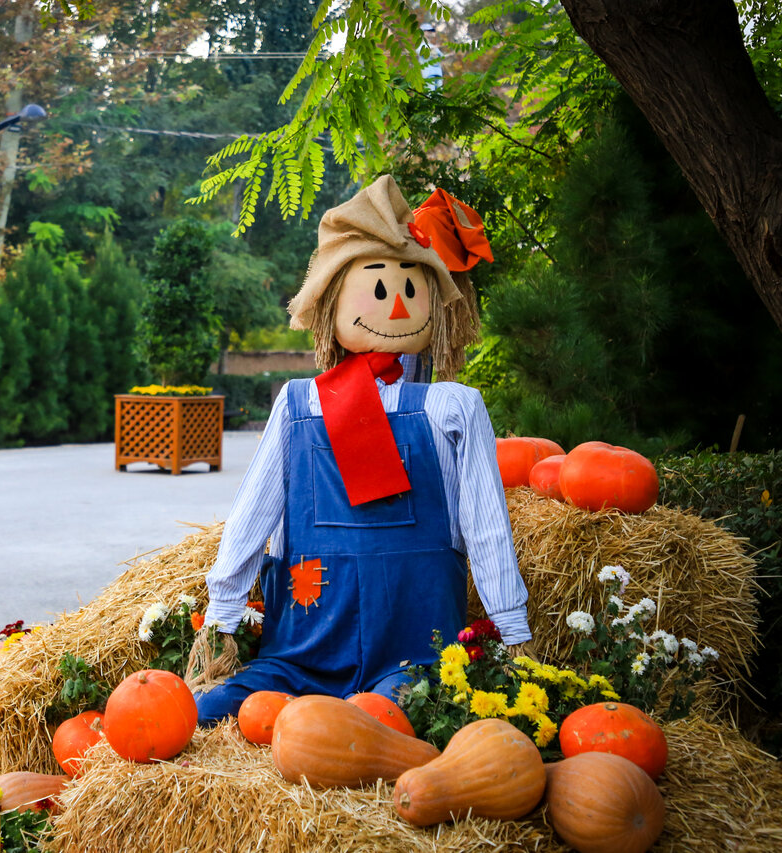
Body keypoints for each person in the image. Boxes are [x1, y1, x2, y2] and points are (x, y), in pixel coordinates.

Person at [192, 177, 533, 725]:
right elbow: (252, 516)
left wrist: (511, 629)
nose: (396, 302)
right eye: (376, 288)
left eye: (411, 287)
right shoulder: (299, 403)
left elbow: (486, 524)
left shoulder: (453, 406)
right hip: (302, 649)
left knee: (387, 721)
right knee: (209, 712)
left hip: (415, 652)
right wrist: (223, 612)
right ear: (333, 304)